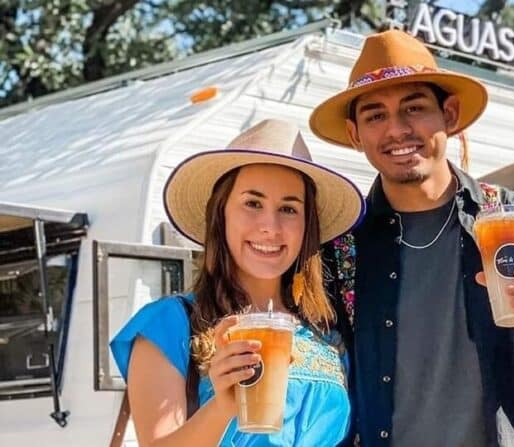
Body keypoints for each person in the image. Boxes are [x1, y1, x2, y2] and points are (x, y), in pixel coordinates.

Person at [310, 30, 514, 446]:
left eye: (414, 108)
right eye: (375, 115)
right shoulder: (340, 247)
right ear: (356, 134)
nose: (396, 129)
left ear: (449, 114)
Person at [110, 119, 364, 447]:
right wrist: (222, 406)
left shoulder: (328, 336)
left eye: (289, 208)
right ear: (222, 215)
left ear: (306, 227)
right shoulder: (169, 323)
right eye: (252, 203)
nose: (270, 226)